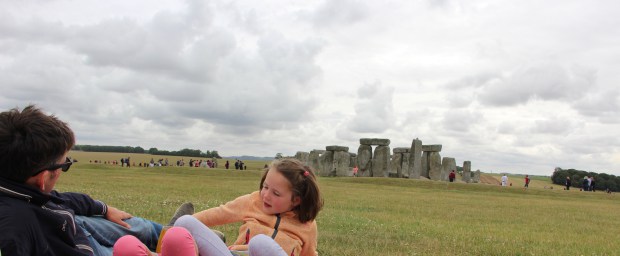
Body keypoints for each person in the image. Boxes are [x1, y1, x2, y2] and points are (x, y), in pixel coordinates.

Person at [0, 105, 162, 256]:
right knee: (128, 249)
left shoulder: (20, 189)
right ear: (43, 178)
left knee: (139, 226)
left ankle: (168, 231)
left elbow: (63, 198)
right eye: (64, 164)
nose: (64, 168)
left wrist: (104, 209)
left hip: (73, 226)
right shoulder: (15, 230)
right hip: (82, 248)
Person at [114, 158, 324, 256]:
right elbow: (221, 212)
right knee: (186, 221)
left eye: (276, 193)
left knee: (262, 244)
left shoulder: (306, 224)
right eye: (265, 187)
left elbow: (310, 254)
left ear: (296, 199)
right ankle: (167, 244)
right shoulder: (253, 201)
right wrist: (184, 228)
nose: (265, 195)